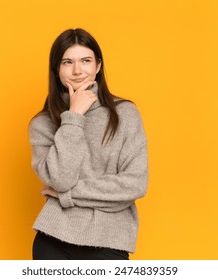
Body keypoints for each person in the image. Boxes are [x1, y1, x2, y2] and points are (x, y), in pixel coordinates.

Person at [28, 28, 148, 260]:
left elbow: (135, 184)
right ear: (57, 69)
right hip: (53, 240)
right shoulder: (42, 124)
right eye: (67, 62)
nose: (77, 70)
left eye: (85, 60)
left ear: (98, 66)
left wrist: (66, 195)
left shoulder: (125, 114)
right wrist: (74, 116)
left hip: (109, 240)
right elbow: (61, 178)